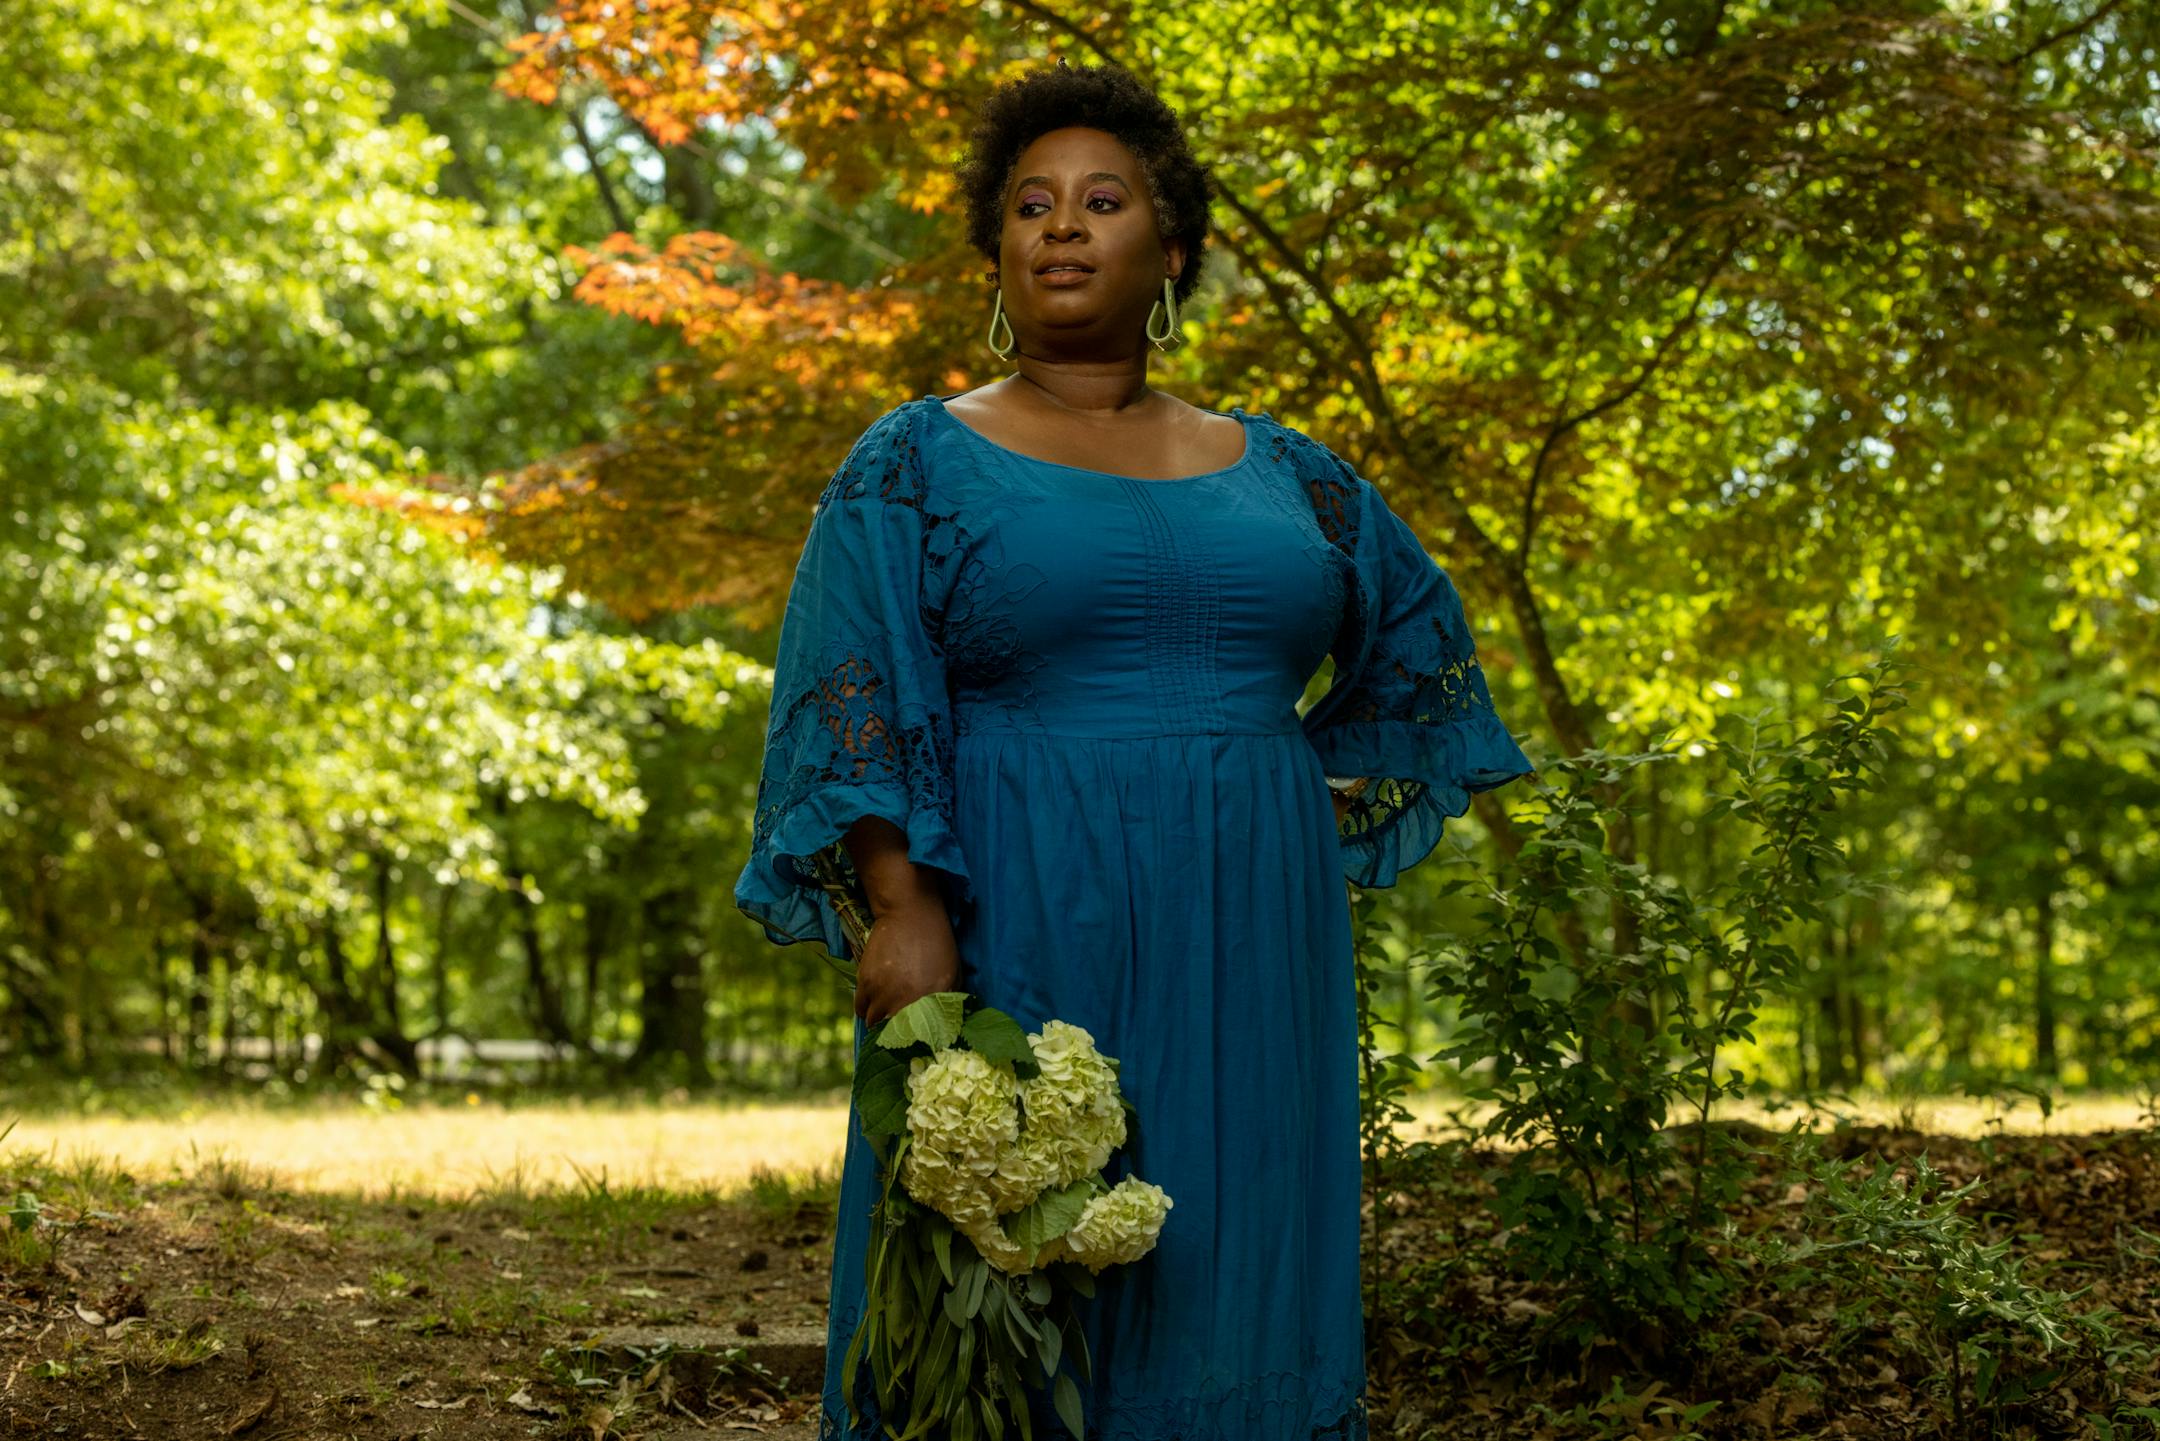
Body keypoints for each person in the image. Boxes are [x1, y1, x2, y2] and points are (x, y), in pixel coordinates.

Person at [732, 58, 1536, 1441]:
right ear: (996, 249)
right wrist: (903, 906)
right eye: (1031, 203)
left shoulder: (1296, 472)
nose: (1062, 224)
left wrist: (1275, 798)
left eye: (1103, 201)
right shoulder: (914, 458)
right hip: (1022, 905)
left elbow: (1416, 645)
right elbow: (852, 682)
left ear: (1171, 249)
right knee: (1011, 1250)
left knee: (1234, 1240)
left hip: (1253, 932)